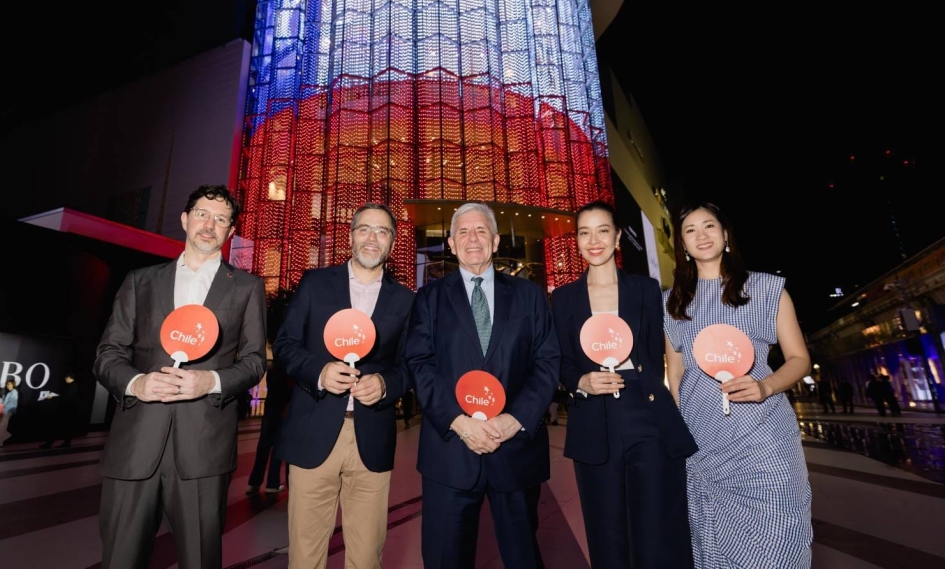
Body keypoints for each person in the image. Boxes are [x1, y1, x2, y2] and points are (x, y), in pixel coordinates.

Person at [93, 184, 267, 569]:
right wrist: (138, 383)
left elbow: (255, 361)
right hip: (136, 444)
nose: (210, 224)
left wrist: (213, 381)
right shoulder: (140, 281)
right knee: (120, 557)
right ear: (185, 219)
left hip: (203, 449)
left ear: (230, 232)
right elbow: (107, 354)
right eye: (203, 214)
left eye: (221, 219)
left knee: (200, 559)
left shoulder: (247, 288)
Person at [405, 202, 560, 569]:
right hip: (450, 454)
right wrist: (459, 422)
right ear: (452, 244)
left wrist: (515, 419)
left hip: (516, 451)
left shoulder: (529, 296)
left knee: (524, 557)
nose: (472, 238)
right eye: (463, 232)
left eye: (480, 231)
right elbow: (418, 363)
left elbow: (547, 362)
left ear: (494, 241)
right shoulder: (429, 299)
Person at [664, 201, 813, 568]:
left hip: (763, 437)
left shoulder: (766, 289)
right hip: (703, 443)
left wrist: (765, 387)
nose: (701, 235)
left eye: (709, 226)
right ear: (682, 244)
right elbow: (677, 374)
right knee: (712, 541)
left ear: (726, 234)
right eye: (691, 230)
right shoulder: (672, 302)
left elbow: (799, 359)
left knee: (779, 534)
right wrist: (680, 435)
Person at [551, 201, 696, 569]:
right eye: (584, 233)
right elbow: (560, 360)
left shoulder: (645, 290)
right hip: (592, 416)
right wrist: (581, 380)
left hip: (645, 411)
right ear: (578, 241)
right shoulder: (564, 298)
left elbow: (654, 353)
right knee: (606, 528)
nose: (593, 240)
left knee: (656, 523)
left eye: (602, 231)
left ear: (617, 238)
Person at [275, 202, 415, 569]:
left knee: (367, 556)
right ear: (351, 236)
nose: (372, 238)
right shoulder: (315, 283)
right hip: (313, 431)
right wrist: (319, 372)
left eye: (382, 231)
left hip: (371, 436)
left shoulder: (406, 300)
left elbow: (410, 365)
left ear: (392, 242)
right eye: (365, 229)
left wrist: (385, 385)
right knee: (305, 555)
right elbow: (286, 344)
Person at [246, 359, 292, 494]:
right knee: (277, 449)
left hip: (269, 411)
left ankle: (254, 483)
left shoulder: (272, 370)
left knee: (263, 448)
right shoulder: (289, 371)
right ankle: (272, 483)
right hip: (283, 413)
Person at [40, 372, 79, 449]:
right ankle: (64, 443)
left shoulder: (72, 387)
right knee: (63, 428)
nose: (65, 379)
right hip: (67, 411)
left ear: (71, 378)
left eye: (66, 378)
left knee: (57, 427)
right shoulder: (72, 387)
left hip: (66, 411)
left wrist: (53, 398)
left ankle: (50, 444)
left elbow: (65, 398)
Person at [0, 378, 19, 447]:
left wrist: (4, 407)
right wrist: (0, 400)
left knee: (1, 428)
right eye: (7, 384)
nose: (7, 385)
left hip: (7, 411)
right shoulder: (7, 393)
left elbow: (12, 403)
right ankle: (7, 435)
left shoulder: (14, 392)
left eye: (9, 384)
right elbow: (3, 402)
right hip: (2, 411)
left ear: (13, 385)